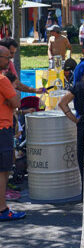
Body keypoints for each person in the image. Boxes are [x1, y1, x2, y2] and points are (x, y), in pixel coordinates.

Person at [0, 46, 24, 221]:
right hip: (3, 129)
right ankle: (2, 209)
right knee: (3, 171)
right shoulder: (3, 80)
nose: (9, 62)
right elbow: (16, 102)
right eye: (7, 58)